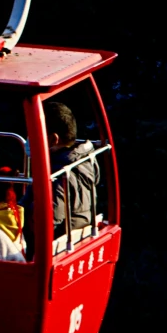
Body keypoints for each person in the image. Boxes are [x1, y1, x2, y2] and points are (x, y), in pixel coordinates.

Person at [43, 100, 99, 247]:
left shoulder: (57, 174)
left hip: (57, 242)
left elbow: (47, 221)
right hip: (77, 231)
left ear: (53, 139)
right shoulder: (85, 160)